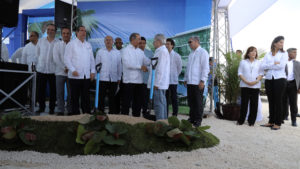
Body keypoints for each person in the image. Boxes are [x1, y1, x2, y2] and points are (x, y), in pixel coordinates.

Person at [64, 25, 96, 115]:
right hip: (75, 76)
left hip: (86, 76)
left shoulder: (88, 45)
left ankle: (87, 114)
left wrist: (93, 71)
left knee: (86, 97)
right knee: (75, 97)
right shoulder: (71, 44)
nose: (83, 32)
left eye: (85, 31)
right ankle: (75, 115)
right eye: (81, 30)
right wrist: (72, 69)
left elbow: (92, 59)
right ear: (76, 33)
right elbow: (66, 59)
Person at [260, 36, 288, 130]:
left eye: (283, 42)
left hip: (280, 79)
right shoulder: (268, 54)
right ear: (275, 43)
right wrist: (274, 64)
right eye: (280, 42)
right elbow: (262, 66)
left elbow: (281, 66)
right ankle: (271, 121)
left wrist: (269, 66)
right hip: (268, 79)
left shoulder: (284, 54)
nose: (282, 44)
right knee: (271, 101)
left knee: (278, 101)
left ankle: (278, 123)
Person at [121, 33, 150, 117]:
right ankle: (124, 120)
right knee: (126, 103)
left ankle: (136, 120)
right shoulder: (125, 50)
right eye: (139, 39)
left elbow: (146, 61)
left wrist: (155, 59)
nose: (140, 41)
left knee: (137, 103)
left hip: (139, 81)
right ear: (133, 40)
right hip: (129, 81)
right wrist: (140, 67)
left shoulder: (140, 51)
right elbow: (127, 64)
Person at [184, 36, 209, 127]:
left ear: (196, 41)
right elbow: (188, 68)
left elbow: (205, 68)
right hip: (190, 81)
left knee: (198, 102)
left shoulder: (203, 52)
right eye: (189, 42)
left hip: (198, 82)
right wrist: (185, 79)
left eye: (190, 42)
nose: (189, 44)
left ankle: (198, 120)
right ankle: (192, 118)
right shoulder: (191, 54)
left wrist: (202, 80)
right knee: (191, 102)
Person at [237, 46, 264, 126]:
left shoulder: (259, 62)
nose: (253, 53)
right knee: (244, 104)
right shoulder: (243, 62)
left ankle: (251, 121)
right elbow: (240, 73)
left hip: (255, 86)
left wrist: (255, 81)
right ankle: (241, 120)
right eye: (251, 51)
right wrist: (246, 81)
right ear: (248, 53)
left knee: (254, 104)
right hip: (245, 85)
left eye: (255, 51)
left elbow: (261, 74)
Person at [35, 24, 59, 114]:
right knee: (40, 90)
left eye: (52, 30)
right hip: (41, 69)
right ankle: (41, 107)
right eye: (48, 29)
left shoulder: (58, 43)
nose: (50, 31)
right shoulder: (40, 41)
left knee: (53, 91)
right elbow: (37, 54)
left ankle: (52, 109)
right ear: (46, 30)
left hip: (53, 71)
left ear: (55, 32)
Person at [95, 36, 122, 114]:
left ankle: (112, 114)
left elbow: (119, 66)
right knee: (101, 97)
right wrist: (97, 77)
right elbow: (96, 65)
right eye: (106, 40)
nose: (108, 41)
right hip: (102, 78)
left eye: (110, 40)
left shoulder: (117, 52)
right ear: (104, 42)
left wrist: (119, 77)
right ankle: (100, 114)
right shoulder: (100, 52)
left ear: (113, 42)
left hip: (113, 79)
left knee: (112, 98)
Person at [147, 34, 170, 120]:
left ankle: (160, 123)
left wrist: (156, 83)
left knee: (159, 104)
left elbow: (160, 69)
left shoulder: (162, 52)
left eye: (154, 41)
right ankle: (163, 122)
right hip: (159, 83)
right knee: (162, 103)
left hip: (158, 84)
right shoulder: (160, 51)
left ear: (158, 42)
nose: (153, 43)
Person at [53, 27, 72, 115]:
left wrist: (69, 68)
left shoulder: (73, 45)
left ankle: (70, 110)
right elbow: (56, 58)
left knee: (70, 93)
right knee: (59, 92)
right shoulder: (57, 45)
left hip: (71, 73)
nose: (66, 35)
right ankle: (60, 110)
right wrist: (64, 67)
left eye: (67, 33)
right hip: (60, 72)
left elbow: (75, 59)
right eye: (64, 33)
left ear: (70, 34)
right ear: (61, 34)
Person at [282, 48, 300, 127]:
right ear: (288, 54)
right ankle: (282, 117)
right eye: (294, 52)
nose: (296, 54)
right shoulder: (283, 62)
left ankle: (294, 120)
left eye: (296, 52)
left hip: (293, 85)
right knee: (283, 101)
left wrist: (299, 87)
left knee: (293, 103)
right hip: (283, 84)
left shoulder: (298, 63)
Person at [165, 38, 182, 117]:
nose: (166, 45)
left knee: (174, 98)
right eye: (166, 44)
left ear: (172, 45)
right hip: (164, 81)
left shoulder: (177, 56)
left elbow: (179, 68)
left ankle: (175, 114)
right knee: (165, 98)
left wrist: (174, 75)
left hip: (173, 80)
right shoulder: (163, 54)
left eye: (168, 44)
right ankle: (165, 113)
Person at [139, 36, 153, 115]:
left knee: (145, 96)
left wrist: (146, 68)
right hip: (137, 79)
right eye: (140, 43)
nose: (142, 45)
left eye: (143, 43)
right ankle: (137, 111)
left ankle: (145, 111)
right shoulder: (135, 52)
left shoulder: (150, 53)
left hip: (146, 79)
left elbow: (152, 65)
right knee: (138, 96)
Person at [114, 37, 123, 114]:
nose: (118, 44)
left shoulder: (125, 52)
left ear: (122, 43)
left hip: (124, 76)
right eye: (116, 43)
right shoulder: (113, 52)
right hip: (115, 76)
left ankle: (122, 111)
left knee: (123, 95)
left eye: (119, 43)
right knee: (115, 94)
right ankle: (115, 111)